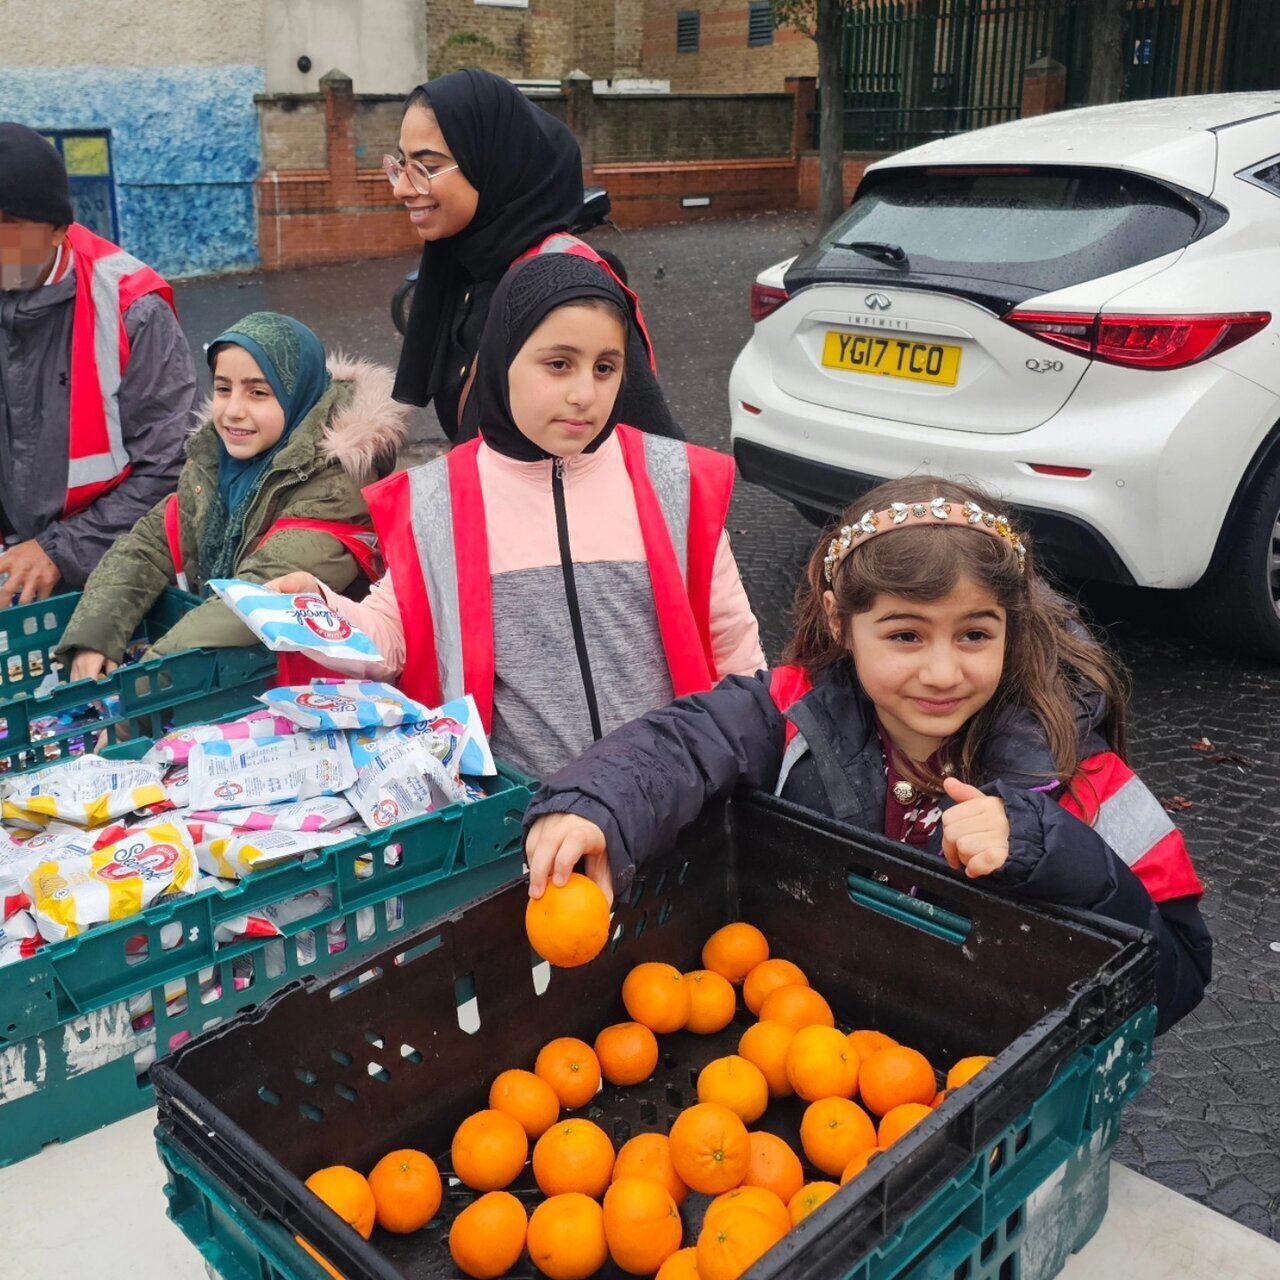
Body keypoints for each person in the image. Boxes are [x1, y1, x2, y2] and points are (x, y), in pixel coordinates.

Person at [524, 476, 1212, 1033]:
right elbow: (684, 741)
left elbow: (1177, 971)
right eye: (906, 636)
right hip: (815, 1045)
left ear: (1011, 626)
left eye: (974, 635)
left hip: (988, 1078)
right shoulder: (792, 714)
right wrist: (593, 804)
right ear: (838, 622)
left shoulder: (1079, 779)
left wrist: (1052, 849)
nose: (942, 672)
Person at [267, 253, 763, 779]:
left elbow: (732, 641)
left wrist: (753, 752)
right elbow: (391, 635)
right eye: (558, 364)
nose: (583, 394)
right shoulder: (440, 500)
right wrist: (317, 611)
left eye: (605, 367)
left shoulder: (675, 481)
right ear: (502, 359)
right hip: (521, 809)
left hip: (666, 798)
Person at [54, 312, 408, 679]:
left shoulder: (337, 489)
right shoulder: (216, 464)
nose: (233, 411)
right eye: (224, 389)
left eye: (258, 392)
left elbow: (245, 606)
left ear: (297, 395)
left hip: (321, 691)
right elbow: (149, 545)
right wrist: (95, 637)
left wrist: (139, 695)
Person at [388, 68, 683, 443]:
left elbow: (655, 453)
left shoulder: (562, 287)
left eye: (425, 168)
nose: (400, 188)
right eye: (400, 165)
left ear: (491, 162)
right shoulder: (464, 266)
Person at [0, 122, 195, 605]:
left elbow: (169, 471)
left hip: (110, 576)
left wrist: (55, 550)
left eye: (8, 228)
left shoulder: (133, 309)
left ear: (60, 231)